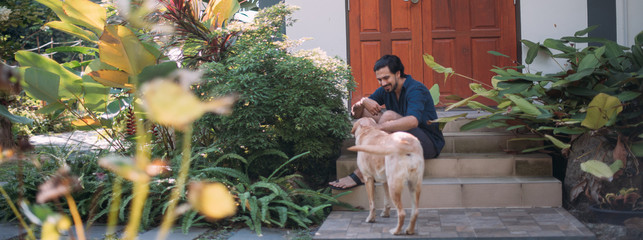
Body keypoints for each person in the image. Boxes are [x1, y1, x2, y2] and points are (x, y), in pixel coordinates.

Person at [329, 54, 444, 190]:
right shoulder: (386, 90)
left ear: (398, 73)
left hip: (426, 144)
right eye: (379, 79)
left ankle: (361, 172)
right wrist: (363, 101)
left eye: (386, 78)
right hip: (401, 141)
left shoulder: (416, 89)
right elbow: (356, 114)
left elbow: (413, 121)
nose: (383, 83)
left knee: (388, 115)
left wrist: (378, 128)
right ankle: (372, 158)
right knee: (366, 116)